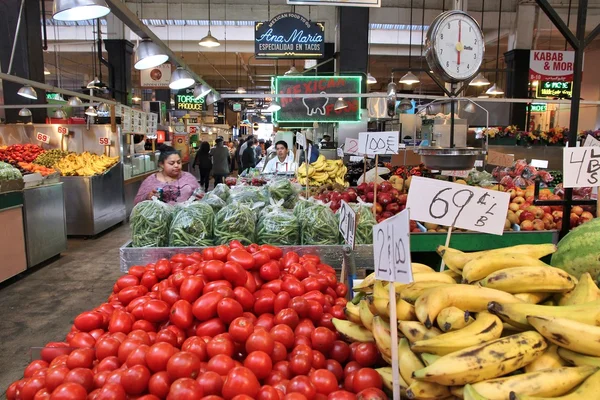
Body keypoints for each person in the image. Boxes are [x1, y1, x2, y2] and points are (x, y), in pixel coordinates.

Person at [134, 145, 199, 205]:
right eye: (171, 163)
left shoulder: (189, 178)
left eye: (179, 162)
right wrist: (147, 197)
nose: (176, 165)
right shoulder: (150, 181)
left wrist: (199, 198)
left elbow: (200, 195)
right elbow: (137, 203)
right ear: (161, 164)